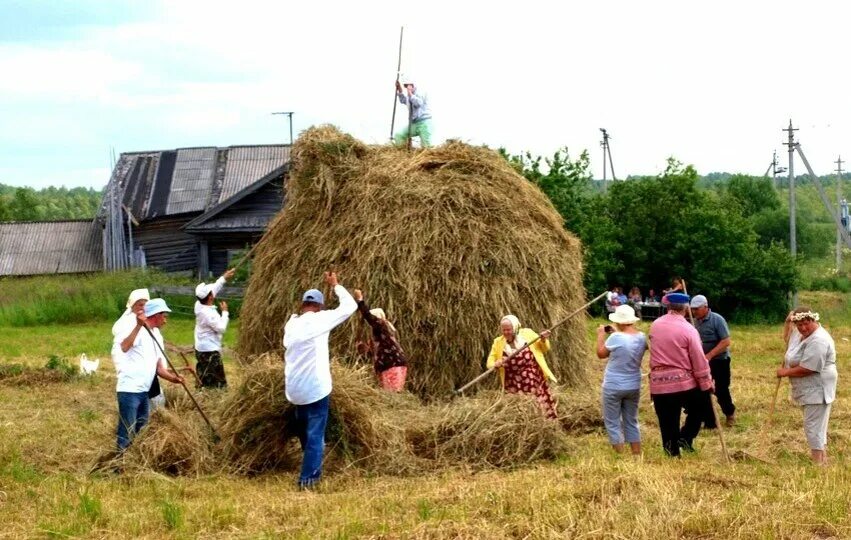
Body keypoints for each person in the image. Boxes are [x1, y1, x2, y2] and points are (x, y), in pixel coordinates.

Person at [283, 272, 357, 489]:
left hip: (294, 390)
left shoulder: (291, 325)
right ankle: (308, 479)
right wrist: (335, 285)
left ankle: (309, 461)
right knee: (316, 435)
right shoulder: (320, 320)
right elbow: (349, 307)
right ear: (320, 307)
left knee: (305, 430)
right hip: (315, 388)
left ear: (303, 304)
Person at [648, 293, 714, 457]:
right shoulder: (689, 329)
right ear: (686, 308)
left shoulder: (655, 325)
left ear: (668, 307)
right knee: (700, 408)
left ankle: (672, 453)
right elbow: (699, 360)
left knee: (667, 420)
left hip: (659, 383)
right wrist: (706, 383)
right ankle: (685, 437)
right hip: (683, 383)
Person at [113, 298, 184, 451]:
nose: (165, 320)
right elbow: (124, 347)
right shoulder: (137, 329)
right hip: (130, 389)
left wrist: (174, 379)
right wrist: (138, 326)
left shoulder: (156, 335)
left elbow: (158, 368)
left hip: (144, 391)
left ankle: (134, 460)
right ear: (156, 315)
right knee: (127, 430)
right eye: (164, 316)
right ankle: (119, 464)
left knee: (141, 429)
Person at [777, 307, 838, 465]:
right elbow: (788, 338)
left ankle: (818, 463)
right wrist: (787, 322)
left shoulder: (819, 340)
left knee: (813, 426)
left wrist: (785, 372)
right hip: (807, 389)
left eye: (806, 324)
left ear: (814, 320)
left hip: (818, 387)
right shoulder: (800, 334)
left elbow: (809, 368)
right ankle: (823, 461)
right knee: (816, 425)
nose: (803, 328)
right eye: (799, 325)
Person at [596, 305, 646, 455]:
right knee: (631, 420)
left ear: (619, 321)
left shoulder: (616, 337)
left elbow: (601, 354)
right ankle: (636, 454)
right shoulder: (641, 337)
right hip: (633, 384)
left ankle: (620, 455)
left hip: (613, 385)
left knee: (612, 421)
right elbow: (628, 342)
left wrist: (600, 335)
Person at [486, 315, 558, 419]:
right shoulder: (498, 342)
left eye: (508, 330)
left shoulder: (528, 334)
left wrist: (543, 340)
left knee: (537, 403)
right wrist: (495, 364)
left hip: (533, 379)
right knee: (518, 409)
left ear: (515, 328)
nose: (506, 332)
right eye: (503, 330)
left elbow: (545, 348)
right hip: (512, 383)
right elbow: (489, 363)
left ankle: (543, 424)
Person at [690, 295, 736, 427]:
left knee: (721, 389)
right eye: (692, 309)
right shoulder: (694, 322)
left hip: (720, 361)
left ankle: (729, 413)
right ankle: (710, 421)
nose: (694, 312)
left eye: (697, 309)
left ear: (705, 307)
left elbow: (726, 341)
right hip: (702, 362)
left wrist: (710, 355)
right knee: (703, 390)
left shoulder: (717, 320)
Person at [352, 289, 408, 391]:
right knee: (388, 394)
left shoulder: (382, 326)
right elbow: (378, 353)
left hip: (392, 366)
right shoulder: (380, 335)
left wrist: (360, 300)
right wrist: (366, 350)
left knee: (392, 394)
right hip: (388, 366)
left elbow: (368, 316)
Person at [193, 268, 236, 388]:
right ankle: (214, 393)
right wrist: (225, 312)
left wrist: (224, 277)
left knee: (203, 373)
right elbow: (221, 328)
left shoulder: (199, 303)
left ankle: (202, 390)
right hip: (209, 350)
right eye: (211, 293)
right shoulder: (208, 314)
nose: (213, 292)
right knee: (217, 378)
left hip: (200, 347)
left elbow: (214, 288)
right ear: (210, 298)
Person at [393, 74, 432, 148]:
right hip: (414, 123)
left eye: (408, 85)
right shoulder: (409, 94)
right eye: (405, 85)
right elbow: (404, 101)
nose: (407, 87)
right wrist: (400, 90)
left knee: (426, 148)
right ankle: (403, 154)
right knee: (399, 135)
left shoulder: (420, 92)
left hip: (424, 123)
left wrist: (410, 94)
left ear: (413, 85)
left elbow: (418, 103)